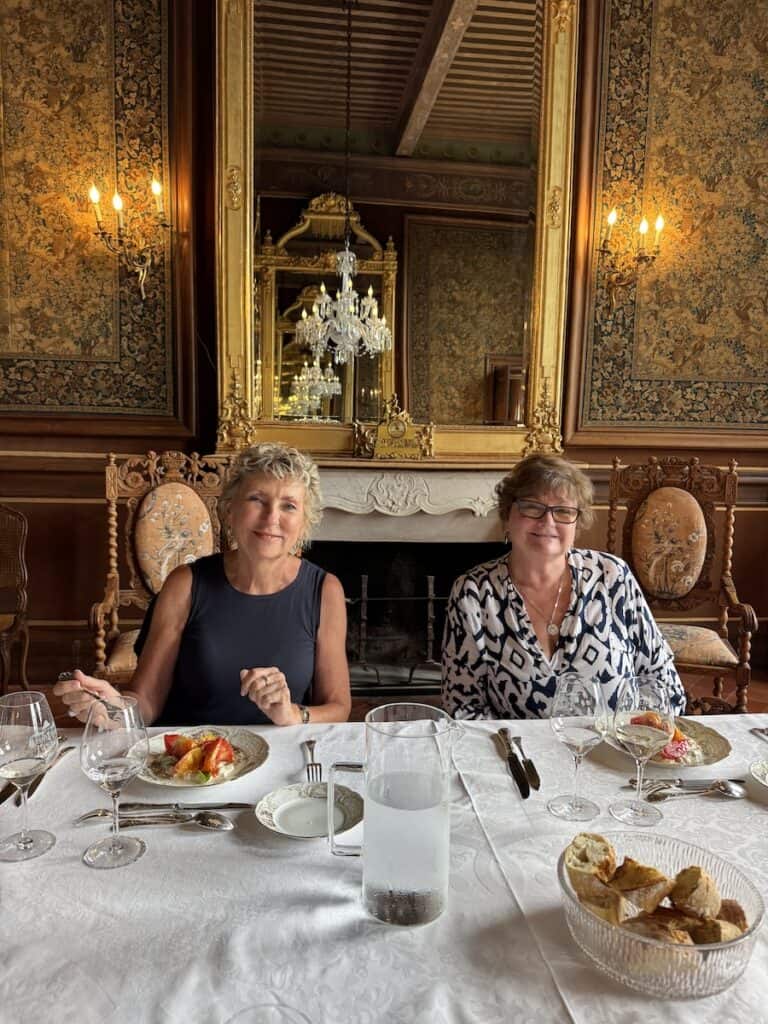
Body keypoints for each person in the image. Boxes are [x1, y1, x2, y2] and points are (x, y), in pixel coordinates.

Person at [55, 443, 351, 727]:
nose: (271, 517)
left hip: (283, 762)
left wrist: (293, 715)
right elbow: (145, 701)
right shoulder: (185, 584)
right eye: (257, 499)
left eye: (289, 506)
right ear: (230, 509)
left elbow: (338, 706)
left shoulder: (324, 590)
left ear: (304, 522)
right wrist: (115, 709)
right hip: (191, 764)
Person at [441, 453, 685, 720]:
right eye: (532, 507)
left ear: (577, 523)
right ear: (507, 517)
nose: (548, 522)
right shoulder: (474, 593)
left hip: (616, 752)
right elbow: (464, 707)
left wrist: (641, 744)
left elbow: (663, 682)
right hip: (521, 757)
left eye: (563, 511)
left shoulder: (613, 576)